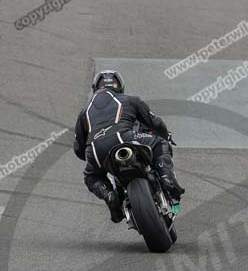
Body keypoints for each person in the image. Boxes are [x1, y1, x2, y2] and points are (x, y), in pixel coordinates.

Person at [73, 70, 185, 223]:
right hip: (124, 137)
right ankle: (166, 177)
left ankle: (110, 196)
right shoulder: (130, 100)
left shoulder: (84, 112)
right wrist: (166, 135)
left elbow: (79, 149)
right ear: (120, 86)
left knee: (91, 176)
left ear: (95, 88)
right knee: (160, 143)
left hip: (96, 150)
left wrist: (92, 157)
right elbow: (155, 123)